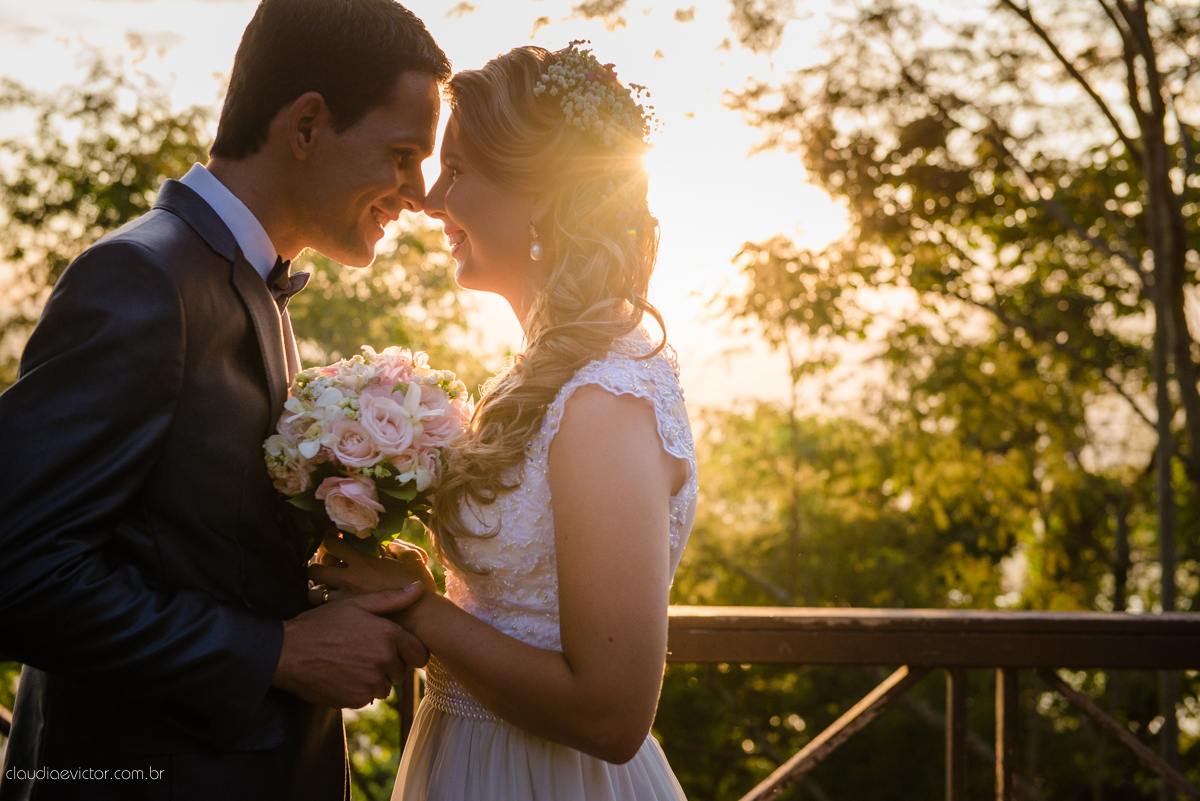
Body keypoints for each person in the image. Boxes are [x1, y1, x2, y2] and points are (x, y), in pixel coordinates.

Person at [0, 1, 448, 799]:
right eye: (404, 153)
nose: (418, 192)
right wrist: (281, 653)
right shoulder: (141, 279)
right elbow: (20, 569)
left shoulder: (247, 280)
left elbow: (190, 544)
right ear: (306, 124)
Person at [310, 44, 696, 801]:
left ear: (542, 198)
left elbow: (613, 712)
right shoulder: (538, 376)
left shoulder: (604, 401)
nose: (428, 200)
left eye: (458, 171)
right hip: (467, 756)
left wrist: (419, 607)